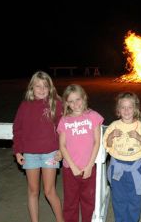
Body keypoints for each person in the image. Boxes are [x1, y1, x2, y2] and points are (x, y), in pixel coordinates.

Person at [12, 71, 64, 222]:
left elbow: (63, 129)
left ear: (50, 88)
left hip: (50, 154)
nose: (41, 89)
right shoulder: (25, 106)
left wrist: (61, 150)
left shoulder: (56, 104)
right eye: (38, 86)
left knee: (49, 191)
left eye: (45, 86)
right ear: (31, 88)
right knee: (33, 191)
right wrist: (18, 151)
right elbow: (18, 129)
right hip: (30, 155)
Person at [103, 92, 141, 222]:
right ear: (118, 110)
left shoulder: (140, 126)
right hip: (117, 167)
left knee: (134, 198)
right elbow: (107, 146)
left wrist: (138, 137)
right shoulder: (114, 125)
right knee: (118, 198)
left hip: (134, 168)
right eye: (123, 107)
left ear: (135, 109)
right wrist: (110, 136)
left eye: (130, 107)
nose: (126, 110)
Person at [57, 84, 104, 222]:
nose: (75, 104)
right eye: (70, 101)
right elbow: (62, 145)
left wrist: (89, 166)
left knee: (88, 202)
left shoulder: (93, 116)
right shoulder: (64, 120)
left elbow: (97, 142)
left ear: (84, 98)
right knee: (70, 203)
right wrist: (73, 167)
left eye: (78, 99)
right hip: (69, 169)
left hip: (88, 168)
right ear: (66, 103)